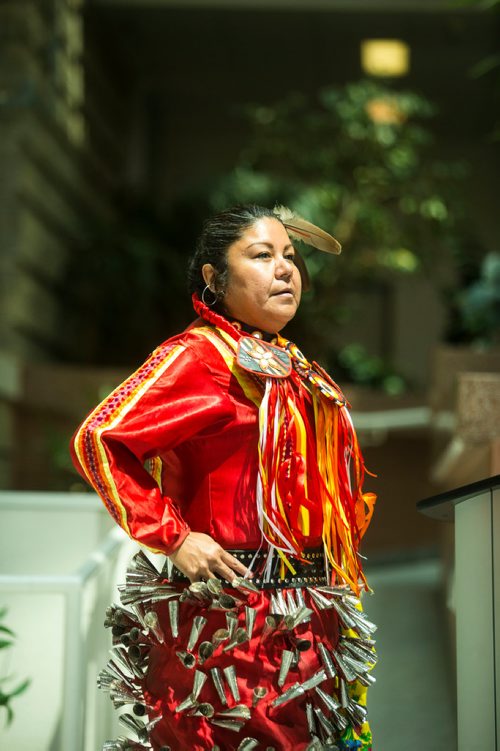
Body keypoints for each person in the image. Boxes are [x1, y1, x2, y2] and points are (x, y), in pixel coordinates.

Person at [71, 204, 377, 751]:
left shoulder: (290, 363)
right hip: (228, 622)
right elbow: (99, 440)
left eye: (290, 256)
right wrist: (176, 537)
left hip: (311, 613)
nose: (285, 269)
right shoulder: (198, 356)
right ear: (214, 278)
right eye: (261, 256)